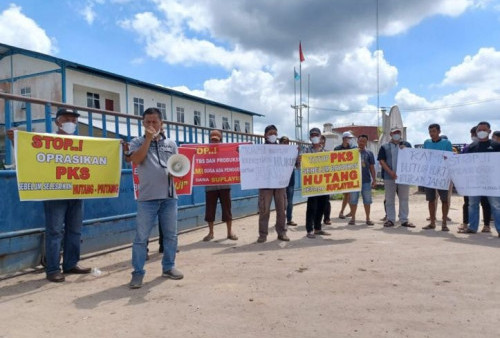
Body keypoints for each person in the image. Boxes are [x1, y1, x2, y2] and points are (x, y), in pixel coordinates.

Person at [8, 108, 91, 282]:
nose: (72, 123)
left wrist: (117, 147)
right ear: (58, 122)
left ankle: (71, 264)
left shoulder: (82, 143)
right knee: (54, 232)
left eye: (74, 120)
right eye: (68, 119)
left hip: (76, 191)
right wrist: (16, 141)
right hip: (55, 193)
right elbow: (30, 155)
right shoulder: (48, 141)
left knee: (75, 230)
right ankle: (53, 269)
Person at [127, 107, 183, 289]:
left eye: (155, 122)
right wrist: (149, 140)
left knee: (170, 236)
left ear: (162, 123)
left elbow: (177, 166)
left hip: (169, 197)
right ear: (143, 124)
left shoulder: (171, 144)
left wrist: (177, 172)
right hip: (147, 198)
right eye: (147, 122)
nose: (151, 125)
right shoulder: (136, 142)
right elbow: (136, 160)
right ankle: (137, 273)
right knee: (141, 237)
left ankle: (168, 266)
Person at [458, 121, 500, 236]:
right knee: (472, 204)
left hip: (492, 182)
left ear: (489, 131)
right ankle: (472, 227)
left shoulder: (496, 146)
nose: (481, 132)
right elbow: (462, 163)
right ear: (476, 132)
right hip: (474, 182)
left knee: (496, 205)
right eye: (479, 130)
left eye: (484, 130)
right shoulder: (471, 147)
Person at [203, 130, 238, 241]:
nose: (214, 142)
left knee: (227, 209)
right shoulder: (204, 152)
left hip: (224, 184)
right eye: (212, 140)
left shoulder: (226, 151)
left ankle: (229, 232)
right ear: (209, 140)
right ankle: (211, 232)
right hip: (210, 185)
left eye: (216, 140)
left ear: (221, 140)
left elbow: (234, 160)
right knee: (210, 209)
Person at [377, 126, 415, 228]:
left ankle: (404, 219)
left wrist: (406, 150)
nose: (396, 134)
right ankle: (390, 219)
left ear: (401, 134)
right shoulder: (384, 147)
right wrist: (390, 172)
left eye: (398, 132)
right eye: (394, 133)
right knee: (389, 199)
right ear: (391, 134)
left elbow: (413, 158)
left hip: (404, 177)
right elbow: (381, 160)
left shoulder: (407, 145)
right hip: (389, 177)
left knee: (404, 198)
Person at [257, 125, 289, 243]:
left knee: (281, 210)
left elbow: (290, 162)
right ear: (265, 135)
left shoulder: (282, 149)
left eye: (275, 133)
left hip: (280, 184)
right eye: (270, 133)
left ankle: (282, 233)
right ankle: (263, 234)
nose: (273, 136)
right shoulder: (259, 150)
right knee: (264, 210)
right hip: (265, 185)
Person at [422, 124, 453, 232]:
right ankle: (432, 223)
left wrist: (446, 158)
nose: (432, 133)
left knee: (444, 200)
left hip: (442, 175)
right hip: (430, 175)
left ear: (439, 131)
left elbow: (450, 158)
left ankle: (444, 223)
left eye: (434, 131)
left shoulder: (447, 143)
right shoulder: (426, 143)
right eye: (430, 131)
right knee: (431, 200)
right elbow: (422, 157)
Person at [303, 127, 331, 238]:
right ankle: (309, 229)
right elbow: (300, 163)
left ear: (320, 137)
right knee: (311, 207)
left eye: (316, 135)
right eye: (312, 135)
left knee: (322, 206)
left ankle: (318, 228)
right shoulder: (306, 150)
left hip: (323, 183)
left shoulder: (325, 152)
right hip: (311, 184)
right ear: (310, 138)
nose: (314, 137)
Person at [348, 134, 377, 225]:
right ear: (357, 141)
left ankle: (368, 218)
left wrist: (374, 179)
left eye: (364, 141)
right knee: (353, 200)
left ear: (366, 143)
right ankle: (353, 218)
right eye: (360, 141)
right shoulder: (351, 152)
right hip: (354, 181)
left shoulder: (369, 153)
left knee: (367, 200)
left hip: (366, 181)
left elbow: (372, 168)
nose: (362, 143)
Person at [334, 131, 356, 219]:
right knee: (347, 194)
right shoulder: (337, 149)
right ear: (344, 139)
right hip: (342, 174)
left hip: (350, 174)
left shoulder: (353, 149)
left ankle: (347, 211)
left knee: (348, 194)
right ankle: (342, 212)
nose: (350, 140)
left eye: (351, 138)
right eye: (348, 138)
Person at [280, 136, 298, 226]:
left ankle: (289, 219)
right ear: (280, 143)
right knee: (281, 202)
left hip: (290, 180)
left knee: (290, 201)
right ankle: (281, 219)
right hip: (280, 181)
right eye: (283, 142)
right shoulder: (277, 154)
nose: (285, 144)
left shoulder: (293, 153)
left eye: (287, 142)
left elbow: (298, 165)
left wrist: (298, 155)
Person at [320, 135, 332, 225]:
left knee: (326, 201)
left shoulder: (327, 153)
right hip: (313, 181)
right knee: (314, 202)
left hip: (325, 180)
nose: (321, 143)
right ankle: (314, 220)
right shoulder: (309, 152)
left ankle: (327, 218)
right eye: (320, 141)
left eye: (322, 142)